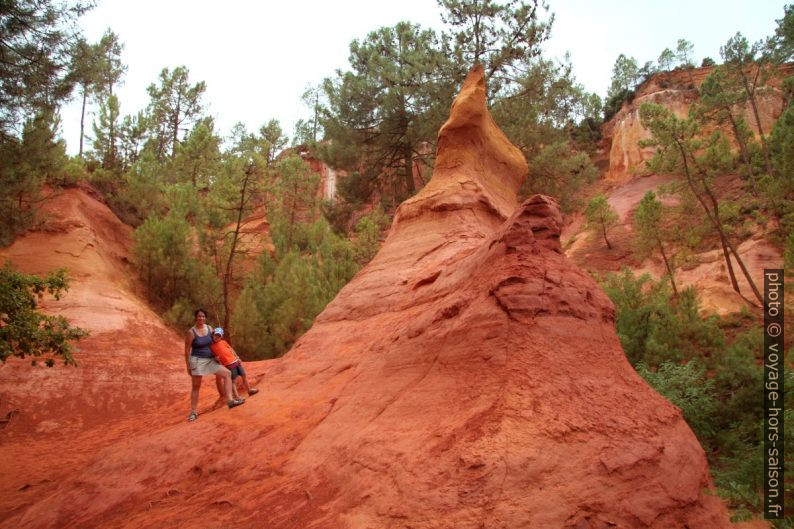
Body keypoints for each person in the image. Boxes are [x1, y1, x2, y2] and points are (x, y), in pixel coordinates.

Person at [185, 308, 244, 422]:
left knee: (227, 373)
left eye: (203, 316)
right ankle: (193, 412)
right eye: (199, 316)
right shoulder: (191, 332)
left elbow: (214, 342)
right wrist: (188, 366)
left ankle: (230, 401)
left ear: (205, 318)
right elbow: (187, 350)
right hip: (197, 361)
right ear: (195, 317)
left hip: (210, 359)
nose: (201, 318)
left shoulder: (209, 328)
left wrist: (218, 356)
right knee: (196, 386)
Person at [210, 328, 260, 400]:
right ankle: (237, 397)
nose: (217, 337)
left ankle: (249, 390)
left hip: (235, 361)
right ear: (213, 335)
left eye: (219, 336)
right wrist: (216, 360)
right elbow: (213, 356)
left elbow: (231, 349)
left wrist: (237, 357)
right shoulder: (212, 347)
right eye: (215, 335)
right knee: (233, 381)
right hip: (228, 364)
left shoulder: (223, 342)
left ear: (221, 337)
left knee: (243, 375)